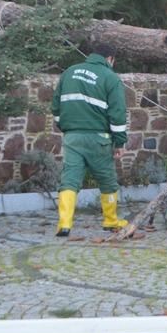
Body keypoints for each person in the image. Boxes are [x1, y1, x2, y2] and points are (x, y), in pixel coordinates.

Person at [51, 42, 129, 237]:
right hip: (98, 138)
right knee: (107, 181)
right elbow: (117, 113)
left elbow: (56, 106)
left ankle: (64, 224)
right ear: (110, 59)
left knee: (69, 179)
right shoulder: (110, 77)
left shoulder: (69, 72)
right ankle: (111, 221)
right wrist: (119, 142)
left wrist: (66, 127)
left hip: (72, 137)